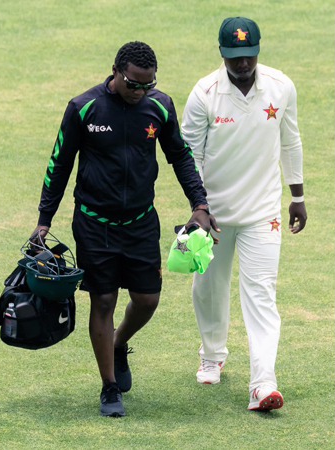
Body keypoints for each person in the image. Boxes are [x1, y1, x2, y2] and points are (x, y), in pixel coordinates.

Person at [30, 41, 217, 417]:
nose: (140, 92)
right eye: (134, 84)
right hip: (94, 224)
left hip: (140, 223)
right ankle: (109, 386)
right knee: (102, 300)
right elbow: (59, 163)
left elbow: (179, 155)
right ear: (115, 71)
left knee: (147, 300)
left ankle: (119, 342)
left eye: (148, 85)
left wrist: (199, 204)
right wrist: (44, 219)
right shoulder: (83, 108)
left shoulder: (159, 106)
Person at [181, 17, 307, 412]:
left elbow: (291, 140)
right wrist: (198, 208)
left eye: (249, 55)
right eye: (235, 57)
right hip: (213, 215)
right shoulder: (204, 94)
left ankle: (262, 382)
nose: (243, 64)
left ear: (258, 50)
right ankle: (212, 354)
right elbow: (189, 156)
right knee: (209, 289)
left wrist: (297, 194)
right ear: (222, 54)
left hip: (263, 213)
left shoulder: (281, 86)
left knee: (261, 295)